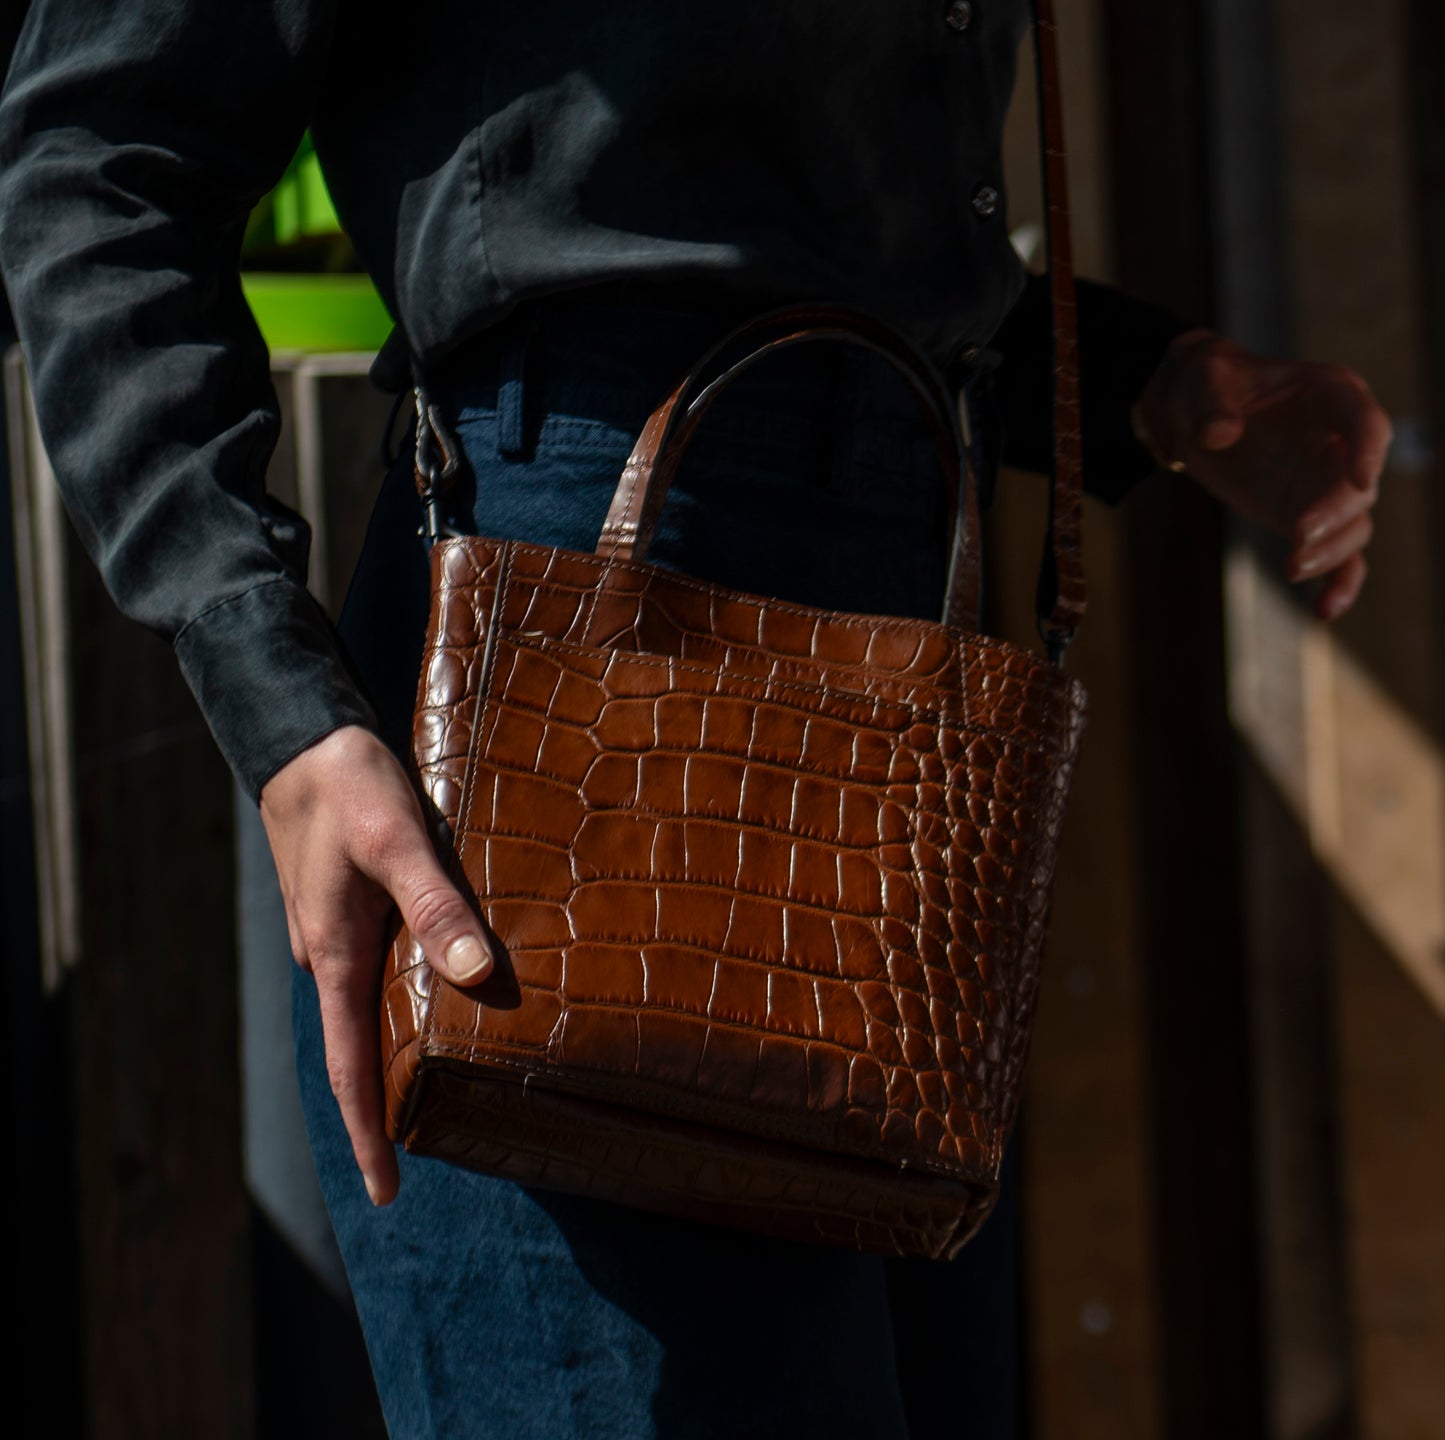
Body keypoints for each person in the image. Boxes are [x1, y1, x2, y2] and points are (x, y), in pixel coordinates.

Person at [0, 3, 1389, 1436]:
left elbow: (748, 213)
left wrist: (1152, 386)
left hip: (896, 733)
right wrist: (276, 698)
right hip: (561, 690)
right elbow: (99, 150)